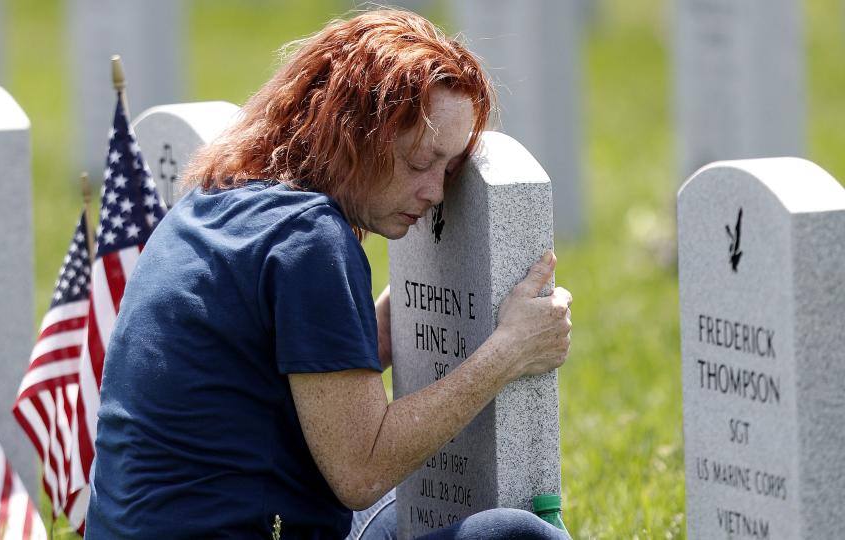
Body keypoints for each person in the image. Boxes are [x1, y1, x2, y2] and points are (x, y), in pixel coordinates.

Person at [85, 9, 572, 540]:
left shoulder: (214, 199)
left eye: (449, 171)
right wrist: (509, 351)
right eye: (419, 163)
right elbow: (361, 470)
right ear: (354, 132)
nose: (435, 192)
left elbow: (283, 370)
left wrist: (400, 317)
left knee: (393, 509)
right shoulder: (309, 238)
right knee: (520, 535)